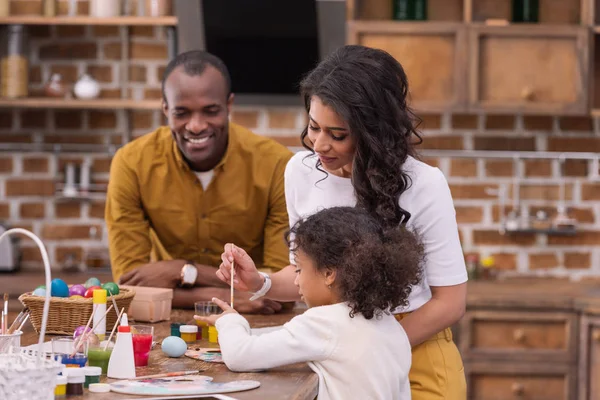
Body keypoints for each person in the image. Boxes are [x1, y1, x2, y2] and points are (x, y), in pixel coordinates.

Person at [217, 45, 468, 399]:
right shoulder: (300, 172)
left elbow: (450, 302)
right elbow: (313, 274)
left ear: (374, 133)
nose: (319, 145)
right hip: (337, 351)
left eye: (338, 135)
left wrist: (373, 346)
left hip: (418, 353)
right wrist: (260, 281)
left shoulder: (424, 185)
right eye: (314, 127)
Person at [105, 50, 293, 312]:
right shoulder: (132, 163)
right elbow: (128, 286)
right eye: (181, 113)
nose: (196, 125)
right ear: (165, 109)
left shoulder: (276, 165)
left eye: (210, 111)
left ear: (229, 105)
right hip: (168, 320)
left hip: (258, 324)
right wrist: (230, 298)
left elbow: (282, 286)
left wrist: (180, 271)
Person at [197, 207, 424, 400]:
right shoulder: (385, 321)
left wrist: (230, 321)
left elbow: (240, 356)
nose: (296, 280)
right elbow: (290, 337)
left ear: (328, 274)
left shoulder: (324, 323)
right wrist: (245, 329)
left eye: (299, 269)